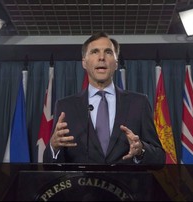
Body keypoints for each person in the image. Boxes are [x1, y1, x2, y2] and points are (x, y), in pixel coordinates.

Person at [43, 32, 165, 165]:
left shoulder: (139, 103)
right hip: (82, 184)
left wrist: (141, 150)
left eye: (108, 52)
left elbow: (159, 158)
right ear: (84, 62)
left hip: (126, 184)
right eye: (95, 52)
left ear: (116, 63)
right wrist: (54, 147)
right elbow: (50, 164)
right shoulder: (66, 106)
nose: (101, 57)